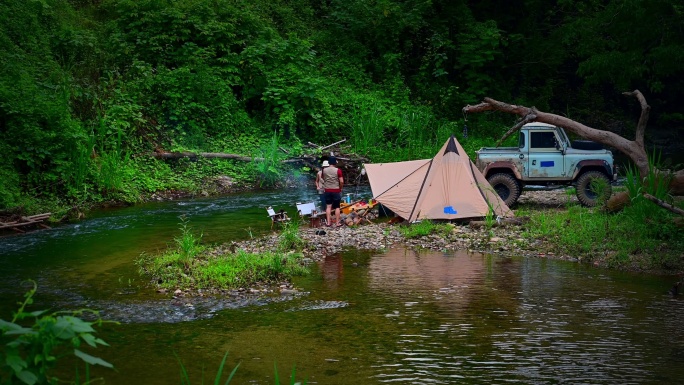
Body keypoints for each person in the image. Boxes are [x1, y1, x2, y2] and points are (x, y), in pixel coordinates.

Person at [322, 156, 344, 227]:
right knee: (337, 207)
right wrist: (340, 188)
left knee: (328, 206)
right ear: (335, 163)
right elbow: (341, 181)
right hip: (336, 190)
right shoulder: (338, 170)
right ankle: (337, 223)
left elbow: (323, 178)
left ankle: (328, 223)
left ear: (328, 163)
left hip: (327, 190)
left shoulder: (324, 170)